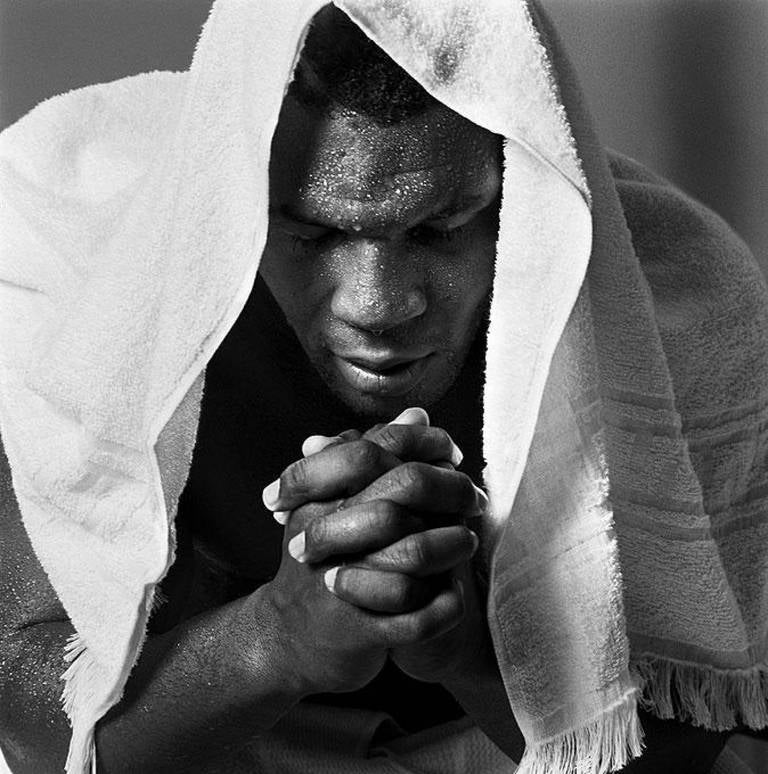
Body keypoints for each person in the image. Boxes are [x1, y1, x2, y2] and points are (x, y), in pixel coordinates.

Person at [0, 3, 766, 773]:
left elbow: (690, 751)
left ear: (522, 188)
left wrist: (464, 651)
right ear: (227, 193)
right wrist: (276, 639)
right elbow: (30, 738)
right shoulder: (77, 247)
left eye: (440, 229)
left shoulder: (680, 299)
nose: (378, 305)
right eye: (314, 233)